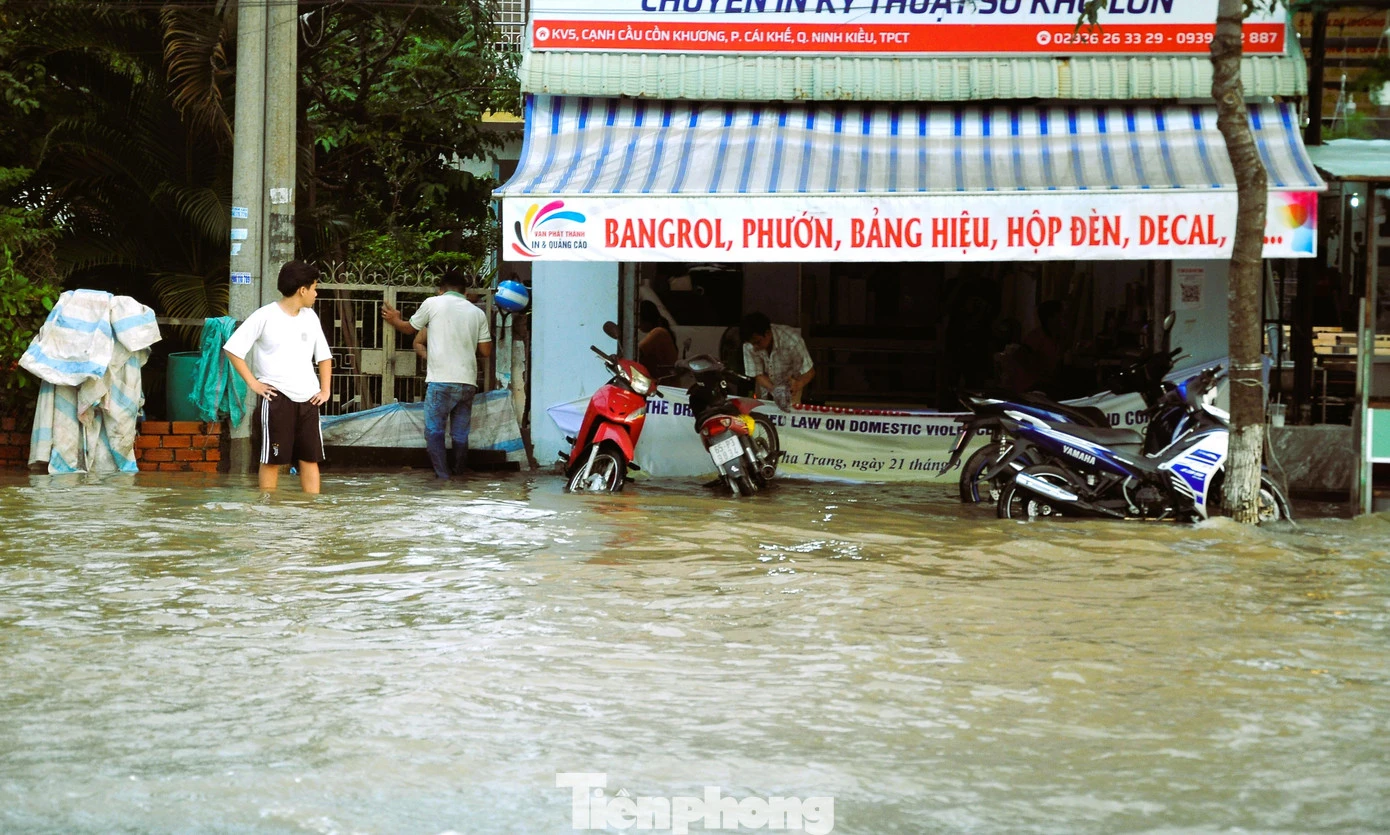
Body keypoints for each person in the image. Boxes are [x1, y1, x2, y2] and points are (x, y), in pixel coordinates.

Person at [223, 260, 333, 494]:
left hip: (309, 399)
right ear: (302, 290)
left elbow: (324, 356)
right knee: (272, 460)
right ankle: (268, 509)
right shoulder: (265, 316)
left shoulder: (310, 317)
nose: (316, 293)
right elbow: (232, 349)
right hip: (276, 398)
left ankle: (312, 508)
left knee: (310, 459)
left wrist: (325, 390)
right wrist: (253, 383)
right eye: (314, 287)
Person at [381, 269, 493, 479]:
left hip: (440, 381)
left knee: (434, 431)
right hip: (467, 382)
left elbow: (409, 329)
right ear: (465, 292)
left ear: (440, 289)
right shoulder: (477, 313)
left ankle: (443, 478)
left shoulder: (432, 303)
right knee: (460, 434)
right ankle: (459, 475)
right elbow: (486, 351)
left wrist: (395, 319)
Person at [740, 311, 815, 406]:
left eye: (757, 342)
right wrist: (774, 389)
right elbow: (757, 374)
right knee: (761, 413)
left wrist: (798, 384)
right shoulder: (749, 345)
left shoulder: (792, 340)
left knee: (789, 412)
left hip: (791, 388)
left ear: (768, 333)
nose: (754, 347)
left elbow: (810, 372)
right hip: (764, 389)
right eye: (752, 344)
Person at [638, 300, 679, 381]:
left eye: (639, 319)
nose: (638, 325)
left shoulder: (658, 332)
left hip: (662, 384)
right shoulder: (662, 332)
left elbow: (638, 351)